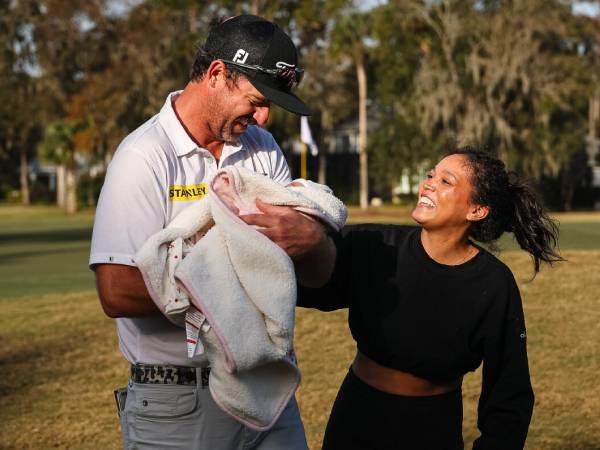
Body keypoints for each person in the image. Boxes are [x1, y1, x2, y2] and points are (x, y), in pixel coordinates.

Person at [89, 14, 325, 450]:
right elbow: (117, 290)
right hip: (178, 401)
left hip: (266, 391)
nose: (264, 118)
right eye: (257, 100)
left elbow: (291, 251)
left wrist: (310, 241)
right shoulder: (144, 156)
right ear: (217, 73)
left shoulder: (261, 147)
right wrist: (231, 284)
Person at [293, 148, 563, 449]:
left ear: (476, 210)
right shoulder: (375, 244)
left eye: (446, 181)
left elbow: (508, 388)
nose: (429, 184)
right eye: (431, 175)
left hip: (431, 427)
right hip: (357, 415)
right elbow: (305, 284)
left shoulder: (494, 283)